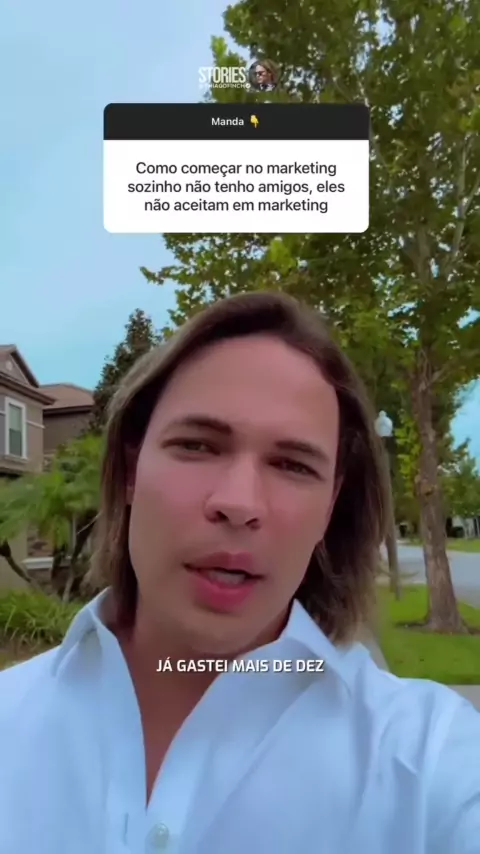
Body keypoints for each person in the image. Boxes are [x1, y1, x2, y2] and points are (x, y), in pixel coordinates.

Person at [0, 291, 479, 853]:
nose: (238, 503)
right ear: (131, 470)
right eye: (198, 445)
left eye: (291, 464)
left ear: (329, 506)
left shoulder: (431, 760)